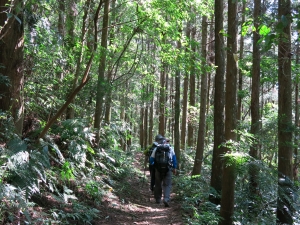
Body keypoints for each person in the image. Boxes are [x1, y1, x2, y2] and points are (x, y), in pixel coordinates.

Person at [150, 135, 177, 207]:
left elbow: (151, 160)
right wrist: (174, 168)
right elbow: (174, 159)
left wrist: (154, 166)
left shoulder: (156, 148)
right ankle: (166, 199)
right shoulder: (170, 148)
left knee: (158, 183)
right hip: (168, 169)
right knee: (167, 184)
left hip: (158, 169)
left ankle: (158, 199)